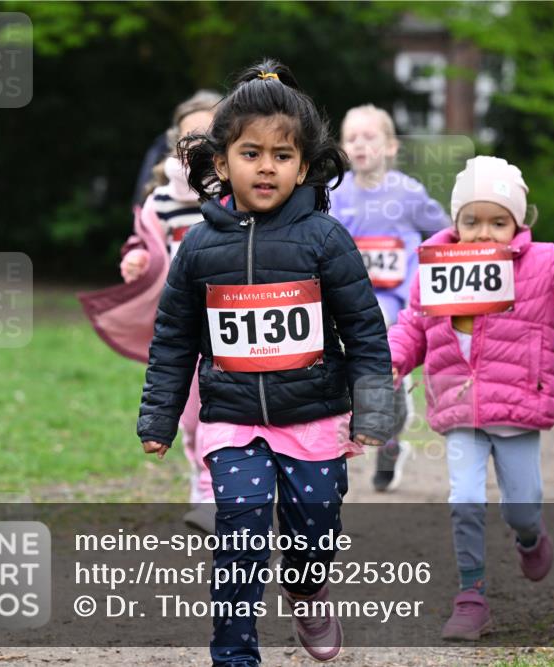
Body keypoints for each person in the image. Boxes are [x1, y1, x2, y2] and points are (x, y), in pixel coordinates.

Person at [137, 59, 394, 666]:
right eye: (251, 153)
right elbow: (174, 336)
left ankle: (308, 589)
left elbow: (364, 328)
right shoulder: (200, 246)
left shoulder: (326, 240)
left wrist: (374, 409)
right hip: (231, 419)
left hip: (313, 419)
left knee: (313, 531)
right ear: (221, 162)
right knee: (241, 535)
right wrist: (159, 418)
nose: (267, 167)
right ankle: (234, 656)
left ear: (304, 166)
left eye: (282, 156)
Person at [388, 156, 554, 640]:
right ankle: (471, 596)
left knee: (522, 505)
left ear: (519, 223)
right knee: (466, 500)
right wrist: (392, 360)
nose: (483, 233)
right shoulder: (435, 269)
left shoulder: (544, 264)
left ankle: (530, 535)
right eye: (471, 221)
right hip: (459, 406)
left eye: (498, 222)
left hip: (517, 407)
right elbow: (413, 323)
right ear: (454, 223)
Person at [81, 91, 221, 533]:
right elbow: (142, 242)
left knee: (228, 407)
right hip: (182, 322)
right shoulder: (161, 199)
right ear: (175, 143)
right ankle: (203, 485)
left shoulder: (235, 192)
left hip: (230, 316)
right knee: (193, 413)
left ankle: (220, 488)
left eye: (211, 135)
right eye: (190, 136)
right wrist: (136, 259)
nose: (199, 144)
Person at [331, 104, 451, 492]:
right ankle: (341, 444)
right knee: (353, 379)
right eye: (352, 138)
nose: (360, 145)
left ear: (391, 146)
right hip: (349, 304)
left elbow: (443, 234)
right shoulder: (336, 196)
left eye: (369, 137)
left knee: (387, 378)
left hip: (398, 306)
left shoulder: (409, 193)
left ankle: (391, 437)